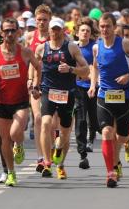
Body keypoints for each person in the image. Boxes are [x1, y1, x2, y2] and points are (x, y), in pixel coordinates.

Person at [88, 13, 129, 187]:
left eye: (108, 26)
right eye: (101, 26)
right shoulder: (96, 47)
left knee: (120, 138)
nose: (104, 29)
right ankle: (111, 172)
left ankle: (126, 140)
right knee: (107, 132)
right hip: (104, 95)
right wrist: (93, 85)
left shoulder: (124, 43)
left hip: (124, 96)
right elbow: (94, 67)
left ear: (114, 27)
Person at [0, 18, 42, 186]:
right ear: (1, 33)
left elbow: (38, 67)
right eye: (6, 31)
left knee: (15, 133)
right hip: (1, 101)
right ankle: (11, 173)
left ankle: (19, 143)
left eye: (12, 30)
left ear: (18, 32)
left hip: (21, 101)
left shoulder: (25, 52)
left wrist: (36, 85)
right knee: (4, 139)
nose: (10, 34)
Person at [35, 17, 90, 179]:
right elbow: (36, 68)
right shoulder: (41, 48)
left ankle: (60, 164)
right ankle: (47, 162)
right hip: (48, 91)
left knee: (65, 133)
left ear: (63, 30)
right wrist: (34, 85)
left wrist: (71, 69)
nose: (54, 32)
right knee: (45, 123)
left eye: (57, 29)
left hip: (67, 93)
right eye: (52, 29)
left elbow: (86, 70)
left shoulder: (71, 47)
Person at [25, 4, 51, 170]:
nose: (41, 22)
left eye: (44, 20)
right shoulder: (29, 37)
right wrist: (28, 78)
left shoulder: (54, 35)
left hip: (52, 82)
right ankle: (40, 157)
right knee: (38, 118)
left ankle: (50, 148)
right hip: (35, 81)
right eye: (39, 20)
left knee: (51, 123)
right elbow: (28, 59)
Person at [74, 17, 98, 169]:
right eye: (82, 30)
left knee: (94, 118)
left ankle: (92, 137)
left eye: (88, 31)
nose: (85, 33)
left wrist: (93, 82)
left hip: (94, 86)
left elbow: (96, 67)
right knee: (81, 119)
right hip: (77, 87)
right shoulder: (72, 47)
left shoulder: (95, 47)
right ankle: (82, 153)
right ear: (77, 33)